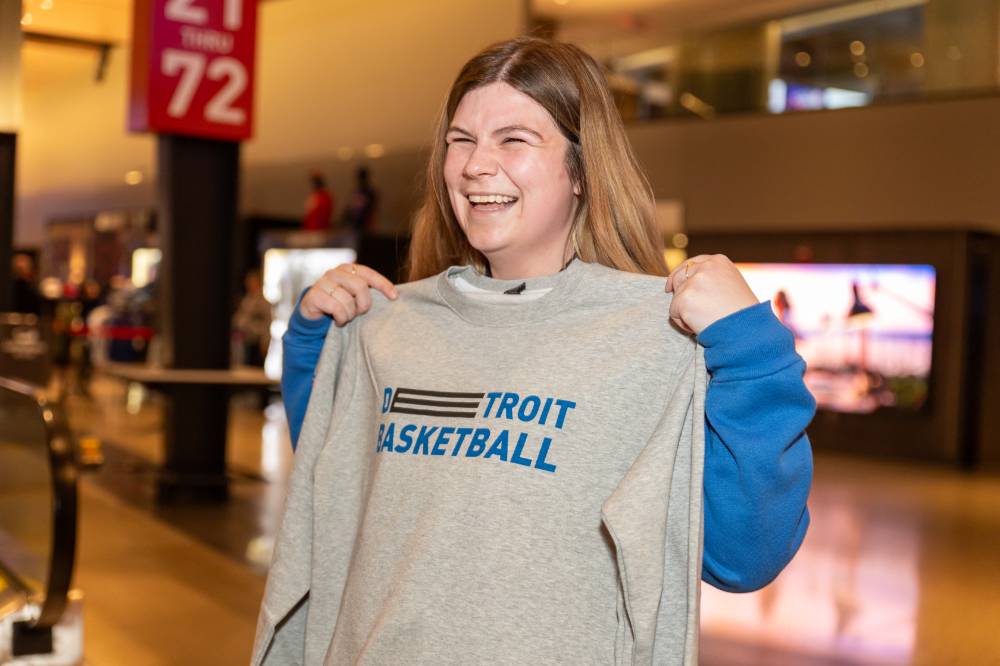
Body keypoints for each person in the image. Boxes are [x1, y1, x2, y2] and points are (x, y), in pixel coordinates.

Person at [257, 37, 813, 665]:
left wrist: (751, 351)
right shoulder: (391, 326)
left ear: (581, 169)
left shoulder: (656, 340)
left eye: (513, 139)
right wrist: (317, 342)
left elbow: (743, 555)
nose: (476, 164)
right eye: (461, 140)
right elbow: (332, 489)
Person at [232, 270, 272, 367]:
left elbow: (266, 324)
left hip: (256, 341)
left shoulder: (263, 303)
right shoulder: (246, 300)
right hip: (243, 340)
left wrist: (265, 342)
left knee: (254, 367)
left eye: (252, 282)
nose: (249, 284)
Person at [341, 165, 378, 233]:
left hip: (364, 226)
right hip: (357, 226)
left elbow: (369, 210)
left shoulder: (367, 192)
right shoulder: (359, 192)